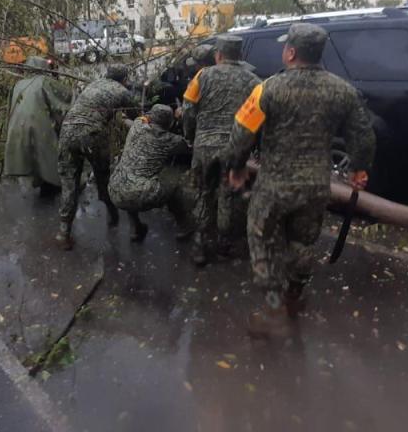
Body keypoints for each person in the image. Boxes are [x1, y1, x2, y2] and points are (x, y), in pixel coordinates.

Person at [227, 23, 375, 338]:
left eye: (285, 47)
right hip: (316, 187)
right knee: (303, 242)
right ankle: (295, 294)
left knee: (262, 243)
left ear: (291, 52)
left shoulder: (267, 89)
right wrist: (358, 169)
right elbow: (363, 134)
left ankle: (271, 311)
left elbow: (241, 133)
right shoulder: (342, 91)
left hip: (274, 187)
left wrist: (236, 167)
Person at [183, 35, 260, 266]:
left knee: (203, 194)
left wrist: (190, 136)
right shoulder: (254, 82)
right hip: (233, 149)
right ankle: (224, 243)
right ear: (241, 56)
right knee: (227, 196)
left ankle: (199, 244)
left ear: (218, 55)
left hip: (204, 146)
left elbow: (188, 110)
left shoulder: (202, 76)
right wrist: (251, 148)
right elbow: (256, 121)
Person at [56, 64, 139, 250]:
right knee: (104, 178)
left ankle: (63, 232)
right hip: (92, 135)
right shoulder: (122, 90)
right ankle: (114, 215)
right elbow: (138, 116)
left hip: (67, 132)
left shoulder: (93, 84)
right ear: (124, 79)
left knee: (69, 183)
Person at [108, 104, 193, 243]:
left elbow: (134, 119)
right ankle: (184, 226)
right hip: (139, 195)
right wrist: (182, 119)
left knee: (130, 181)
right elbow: (190, 147)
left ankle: (136, 228)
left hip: (115, 188)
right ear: (169, 122)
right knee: (173, 184)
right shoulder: (170, 140)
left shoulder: (137, 125)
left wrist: (122, 116)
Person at [3, 56, 72, 195]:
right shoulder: (45, 82)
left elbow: (10, 108)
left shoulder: (18, 84)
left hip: (17, 126)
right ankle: (53, 183)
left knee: (33, 154)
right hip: (38, 125)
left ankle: (40, 181)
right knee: (48, 154)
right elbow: (66, 98)